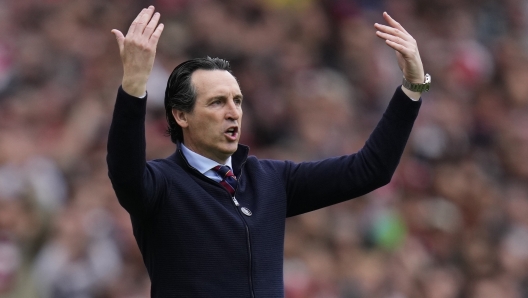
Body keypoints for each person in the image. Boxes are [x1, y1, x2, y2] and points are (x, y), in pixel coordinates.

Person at [107, 5, 429, 298]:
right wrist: (134, 86)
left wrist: (414, 87)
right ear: (181, 115)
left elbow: (370, 170)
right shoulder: (160, 185)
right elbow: (125, 172)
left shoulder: (271, 179)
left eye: (237, 100)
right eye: (217, 102)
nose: (233, 112)